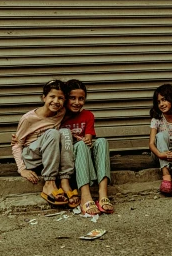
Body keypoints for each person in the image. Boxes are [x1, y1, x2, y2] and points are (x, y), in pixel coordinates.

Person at [11, 80, 79, 208]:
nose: (56, 101)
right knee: (53, 133)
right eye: (52, 97)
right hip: (32, 157)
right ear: (44, 98)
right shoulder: (28, 119)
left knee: (64, 131)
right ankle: (49, 183)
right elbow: (16, 144)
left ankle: (65, 180)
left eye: (60, 98)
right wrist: (22, 169)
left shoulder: (61, 112)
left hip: (49, 159)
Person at [61, 79, 114, 216]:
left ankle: (103, 193)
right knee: (80, 145)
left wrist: (87, 140)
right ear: (65, 98)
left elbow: (89, 137)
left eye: (81, 99)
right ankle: (85, 194)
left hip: (85, 155)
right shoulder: (60, 116)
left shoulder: (88, 115)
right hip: (69, 160)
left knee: (102, 141)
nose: (77, 102)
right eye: (72, 98)